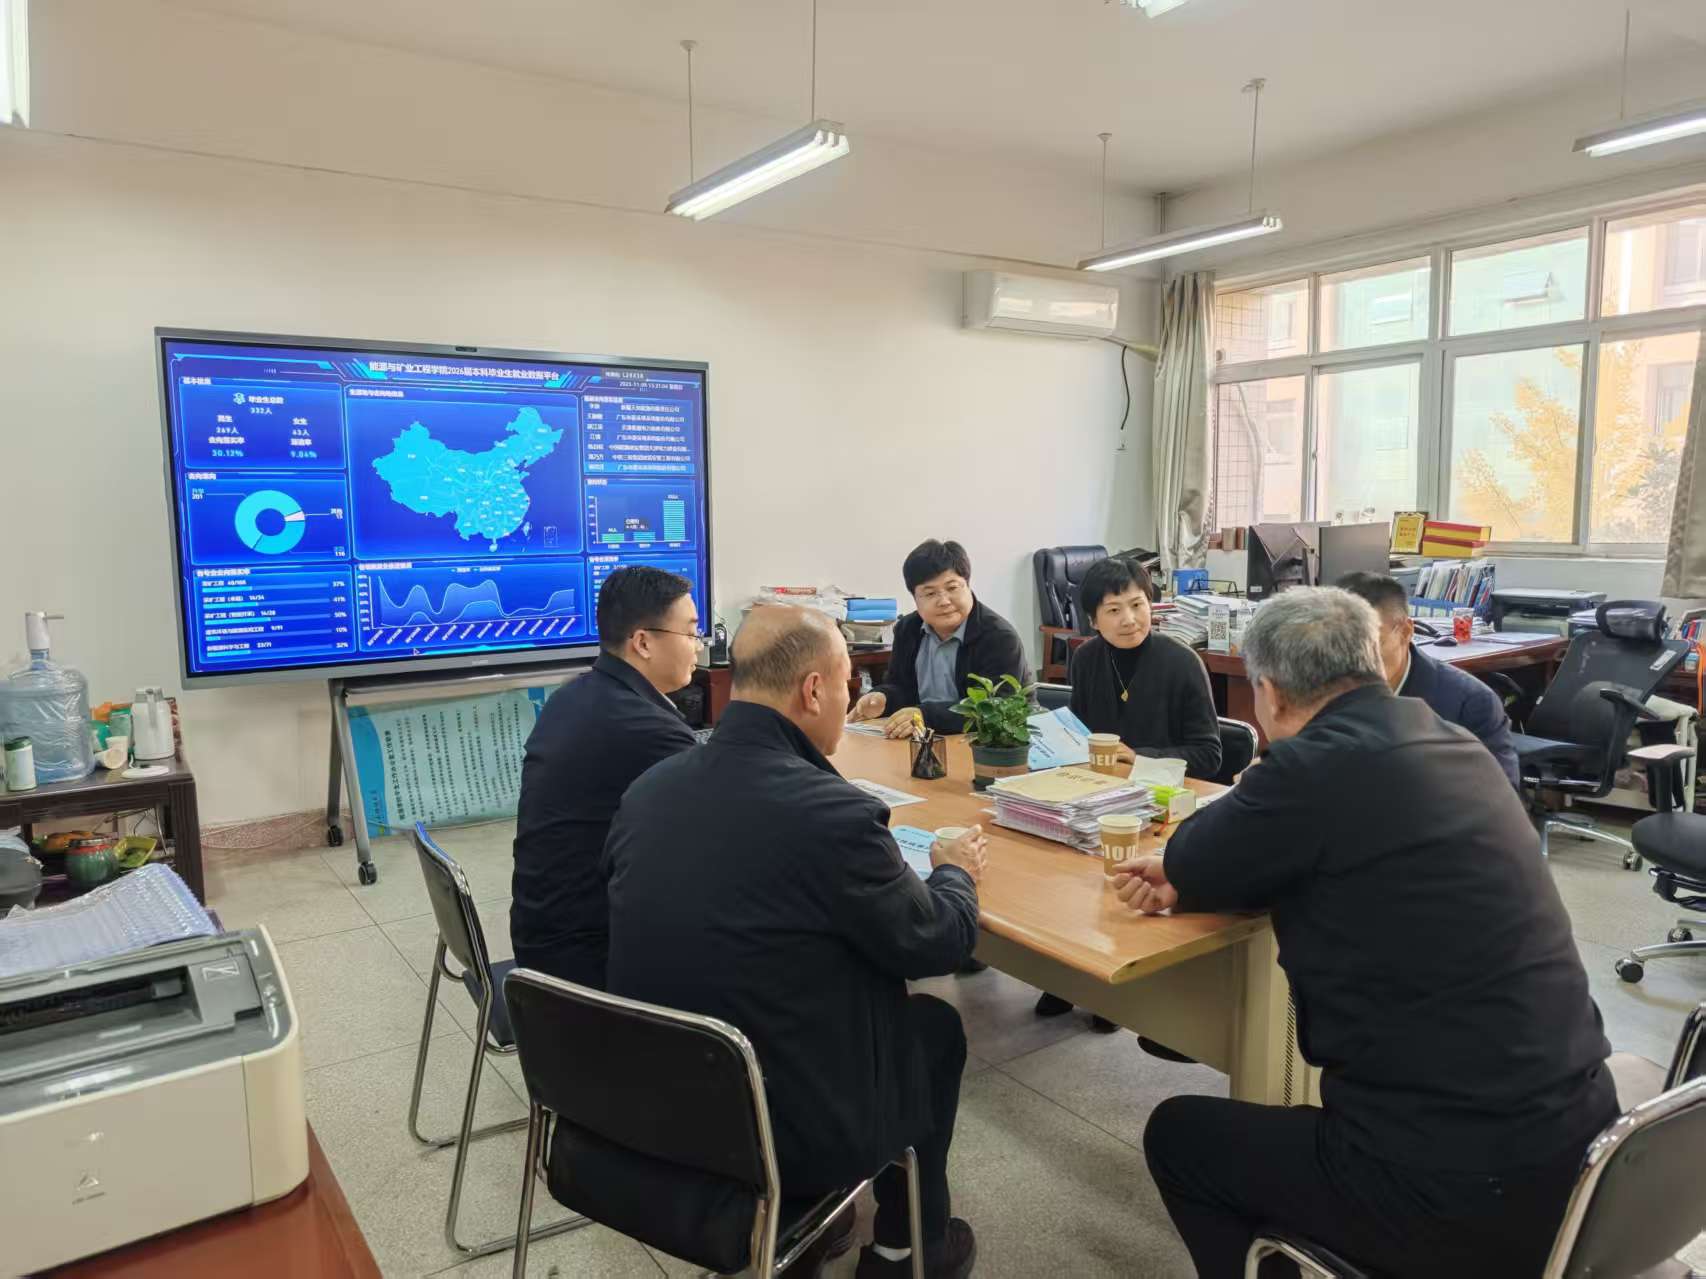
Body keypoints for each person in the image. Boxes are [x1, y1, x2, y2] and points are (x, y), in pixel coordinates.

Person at [1116, 587, 1616, 1279]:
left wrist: (1225, 822)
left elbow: (1193, 854)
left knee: (1180, 1137)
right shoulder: (1454, 740)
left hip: (1460, 1188)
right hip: (1591, 1149)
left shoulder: (1308, 767)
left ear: (1270, 694)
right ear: (1375, 663)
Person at [606, 606, 986, 1279]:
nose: (849, 695)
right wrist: (953, 870)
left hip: (652, 1098)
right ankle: (906, 1249)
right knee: (933, 1029)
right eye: (846, 682)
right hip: (776, 1121)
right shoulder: (834, 813)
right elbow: (938, 944)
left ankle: (813, 1228)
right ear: (813, 689)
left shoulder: (648, 789)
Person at [1035, 554, 1223, 1030]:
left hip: (1161, 808)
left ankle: (1108, 995)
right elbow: (1081, 735)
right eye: (1114, 610)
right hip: (1095, 799)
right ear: (1093, 619)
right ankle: (1064, 975)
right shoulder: (1086, 659)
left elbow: (1209, 755)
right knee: (1056, 877)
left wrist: (1138, 758)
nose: (1129, 619)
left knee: (1117, 887)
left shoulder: (1182, 662)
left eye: (1137, 605)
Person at [509, 565, 701, 989]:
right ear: (643, 642)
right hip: (585, 962)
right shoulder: (649, 730)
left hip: (541, 935)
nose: (699, 646)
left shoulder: (574, 695)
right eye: (690, 633)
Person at [1337, 569, 1520, 787]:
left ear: (1406, 632)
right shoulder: (1318, 692)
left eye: (1371, 644)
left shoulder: (1469, 704)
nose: (1354, 658)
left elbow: (1500, 796)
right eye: (1340, 644)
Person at [850, 538, 1030, 738]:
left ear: (968, 585)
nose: (944, 601)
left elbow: (995, 709)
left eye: (952, 588)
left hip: (994, 742)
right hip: (925, 739)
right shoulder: (907, 629)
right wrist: (883, 698)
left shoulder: (999, 637)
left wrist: (925, 716)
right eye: (930, 593)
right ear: (915, 598)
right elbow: (901, 686)